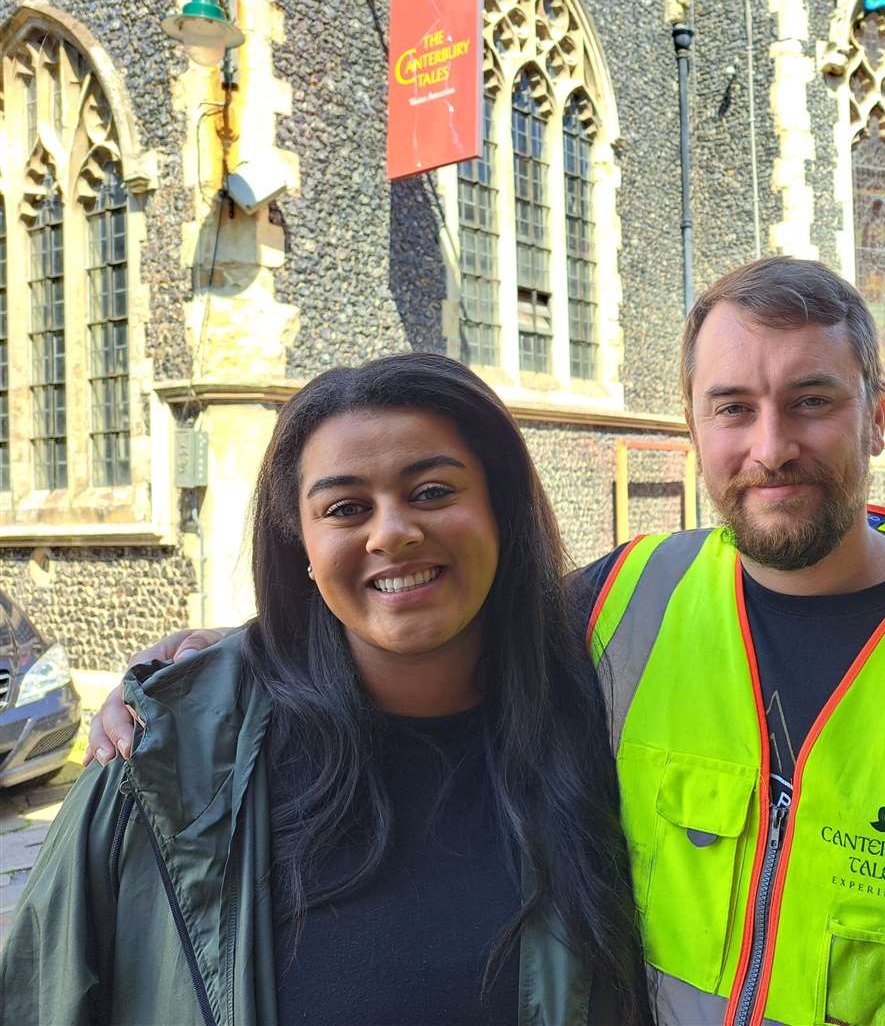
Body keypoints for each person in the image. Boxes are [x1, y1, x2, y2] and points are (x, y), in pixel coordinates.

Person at [89, 258, 885, 1024]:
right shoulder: (621, 604)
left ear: (879, 412)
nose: (771, 446)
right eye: (733, 407)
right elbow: (414, 604)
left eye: (811, 401)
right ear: (692, 428)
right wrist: (219, 672)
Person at [1, 355, 649, 1024]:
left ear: (500, 510)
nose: (392, 532)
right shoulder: (162, 760)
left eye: (431, 491)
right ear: (301, 547)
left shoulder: (612, 720)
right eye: (345, 508)